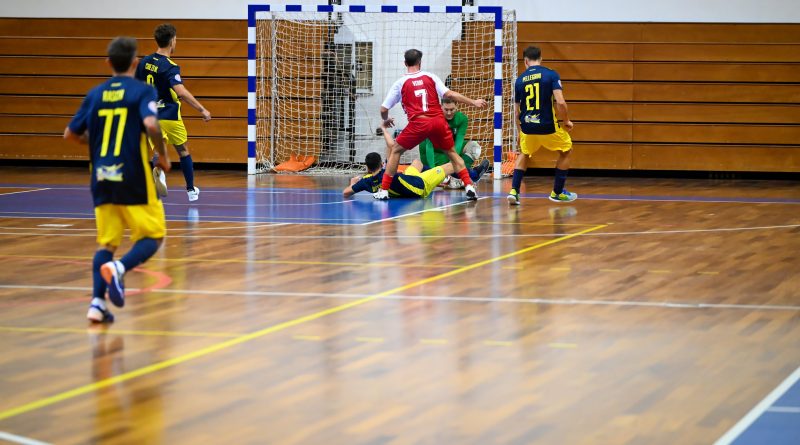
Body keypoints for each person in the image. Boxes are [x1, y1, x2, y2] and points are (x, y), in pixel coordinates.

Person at [64, 37, 171, 323]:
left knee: (106, 244)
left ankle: (97, 304)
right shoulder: (141, 90)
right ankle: (120, 269)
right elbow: (150, 124)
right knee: (153, 237)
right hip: (132, 175)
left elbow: (70, 134)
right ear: (135, 63)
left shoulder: (95, 94)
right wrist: (162, 155)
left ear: (108, 62)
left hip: (101, 175)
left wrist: (97, 143)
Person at [377, 49, 487, 201]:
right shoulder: (430, 77)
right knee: (453, 154)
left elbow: (383, 109)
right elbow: (449, 95)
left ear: (404, 63)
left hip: (418, 123)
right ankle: (469, 186)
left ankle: (384, 190)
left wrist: (386, 119)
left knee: (395, 151)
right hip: (437, 121)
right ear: (420, 63)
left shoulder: (400, 83)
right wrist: (473, 102)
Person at [135, 23, 211, 202]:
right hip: (169, 115)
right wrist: (202, 109)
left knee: (153, 152)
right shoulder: (170, 66)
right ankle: (191, 190)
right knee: (183, 150)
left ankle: (155, 181)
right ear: (172, 41)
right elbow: (181, 92)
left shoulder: (144, 62)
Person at [507, 46, 577, 206]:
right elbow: (560, 102)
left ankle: (514, 191)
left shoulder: (519, 80)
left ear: (525, 61)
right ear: (541, 59)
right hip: (547, 126)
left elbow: (516, 111)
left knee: (524, 153)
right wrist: (566, 121)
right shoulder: (550, 74)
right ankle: (557, 192)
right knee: (566, 151)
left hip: (527, 127)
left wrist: (519, 132)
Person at [344, 123, 451, 199]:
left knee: (416, 163)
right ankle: (460, 179)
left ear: (367, 168)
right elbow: (391, 145)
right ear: (382, 164)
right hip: (421, 187)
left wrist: (352, 184)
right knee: (452, 165)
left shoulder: (366, 182)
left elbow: (346, 193)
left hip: (408, 180)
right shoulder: (387, 172)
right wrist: (384, 129)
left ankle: (439, 181)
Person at [418, 96, 488, 189]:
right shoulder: (433, 119)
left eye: (452, 109)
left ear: (457, 106)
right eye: (446, 109)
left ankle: (456, 177)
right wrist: (433, 170)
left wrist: (452, 163)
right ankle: (471, 175)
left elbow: (458, 144)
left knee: (474, 148)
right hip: (433, 153)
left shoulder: (462, 119)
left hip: (448, 148)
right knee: (436, 171)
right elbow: (429, 147)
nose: (449, 113)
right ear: (441, 107)